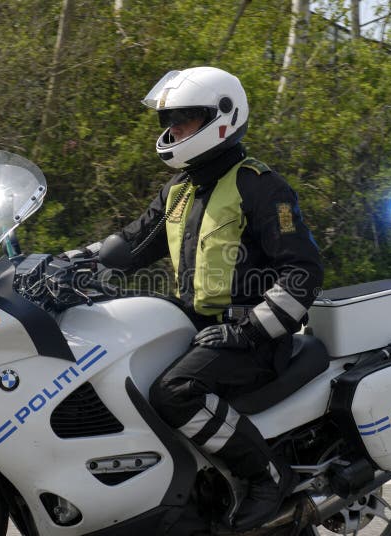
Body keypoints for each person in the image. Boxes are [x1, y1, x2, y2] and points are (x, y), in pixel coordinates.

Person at [66, 67, 323, 531]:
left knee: (174, 392)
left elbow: (303, 273)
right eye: (170, 120)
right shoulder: (179, 190)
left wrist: (249, 330)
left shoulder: (260, 186)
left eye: (184, 120)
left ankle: (265, 476)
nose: (173, 131)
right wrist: (61, 264)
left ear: (221, 117)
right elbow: (127, 246)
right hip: (203, 331)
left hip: (255, 340)